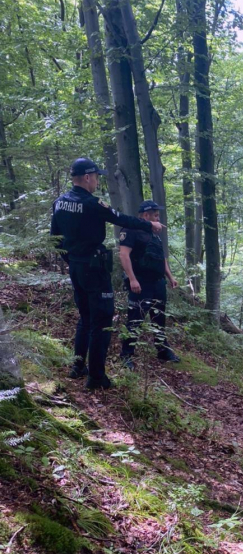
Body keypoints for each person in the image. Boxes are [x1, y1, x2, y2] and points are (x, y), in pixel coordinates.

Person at [50, 157, 163, 390]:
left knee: (85, 317)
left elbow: (55, 239)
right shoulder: (92, 203)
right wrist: (148, 225)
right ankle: (97, 377)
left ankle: (77, 366)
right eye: (97, 177)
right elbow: (119, 218)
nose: (97, 181)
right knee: (102, 320)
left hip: (76, 267)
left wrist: (71, 260)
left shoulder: (59, 203)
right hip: (94, 267)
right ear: (88, 177)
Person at [118, 200, 180, 369]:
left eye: (158, 215)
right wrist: (132, 279)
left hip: (158, 282)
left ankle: (162, 350)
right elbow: (124, 255)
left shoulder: (154, 235)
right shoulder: (131, 230)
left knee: (159, 317)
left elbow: (162, 258)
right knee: (135, 318)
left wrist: (170, 276)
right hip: (141, 282)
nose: (158, 218)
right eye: (155, 215)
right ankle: (126, 355)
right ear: (146, 215)